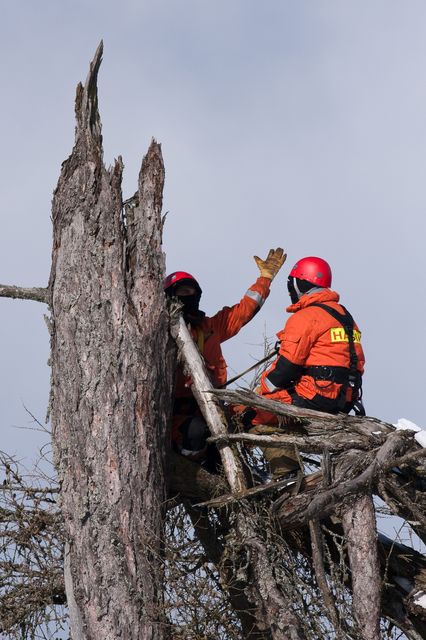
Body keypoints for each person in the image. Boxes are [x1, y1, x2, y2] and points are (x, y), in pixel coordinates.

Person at [164, 248, 286, 471]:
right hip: (176, 416)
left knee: (249, 415)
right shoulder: (158, 335)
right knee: (197, 432)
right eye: (181, 291)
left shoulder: (210, 328)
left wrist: (265, 279)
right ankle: (193, 471)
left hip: (212, 406)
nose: (186, 296)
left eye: (190, 291)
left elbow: (243, 311)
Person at [251, 256, 365, 480]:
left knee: (249, 414)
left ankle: (286, 475)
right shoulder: (344, 316)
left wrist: (260, 392)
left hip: (315, 395)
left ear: (298, 284)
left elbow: (285, 370)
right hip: (344, 399)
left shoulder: (306, 317)